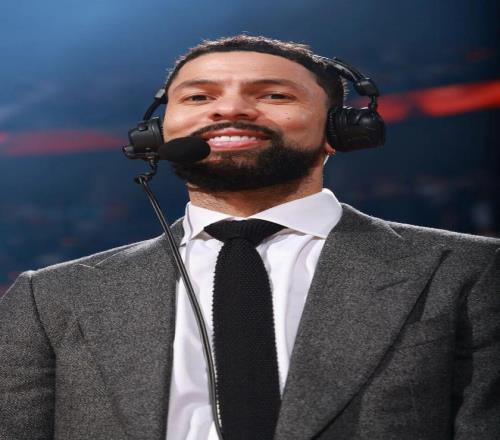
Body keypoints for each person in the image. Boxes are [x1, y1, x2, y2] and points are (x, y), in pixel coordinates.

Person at [0, 35, 499, 440]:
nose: (230, 109)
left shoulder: (471, 270)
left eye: (273, 95)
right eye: (198, 97)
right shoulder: (50, 296)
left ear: (341, 130)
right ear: (156, 133)